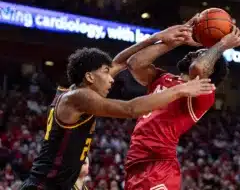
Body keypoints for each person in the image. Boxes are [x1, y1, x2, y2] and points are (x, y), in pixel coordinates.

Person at [20, 33, 215, 189]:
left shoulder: (78, 90)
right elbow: (130, 109)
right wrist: (180, 90)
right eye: (105, 72)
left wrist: (160, 38)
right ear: (89, 77)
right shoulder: (79, 98)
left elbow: (120, 63)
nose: (112, 78)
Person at [124, 15, 240, 189]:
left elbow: (197, 68)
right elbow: (134, 63)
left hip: (159, 165)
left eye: (202, 53)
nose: (193, 52)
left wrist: (222, 45)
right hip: (136, 161)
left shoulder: (204, 91)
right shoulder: (162, 77)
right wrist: (175, 41)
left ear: (210, 72)